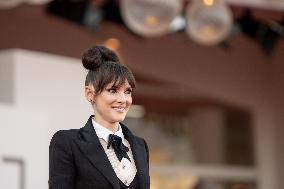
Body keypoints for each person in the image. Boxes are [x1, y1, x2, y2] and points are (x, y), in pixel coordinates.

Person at [49, 46, 150, 189]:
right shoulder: (67, 142)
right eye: (113, 90)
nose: (123, 99)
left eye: (127, 92)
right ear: (90, 93)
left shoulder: (140, 146)